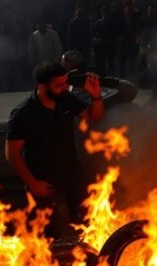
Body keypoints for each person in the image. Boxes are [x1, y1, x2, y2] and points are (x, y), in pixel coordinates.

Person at [6, 62, 104, 238]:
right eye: (58, 85)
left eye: (66, 82)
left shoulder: (66, 99)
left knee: (88, 222)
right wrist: (33, 184)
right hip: (45, 181)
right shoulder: (24, 113)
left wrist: (95, 96)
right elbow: (12, 154)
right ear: (42, 86)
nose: (65, 87)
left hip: (74, 173)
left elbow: (93, 117)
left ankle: (88, 259)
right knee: (51, 231)